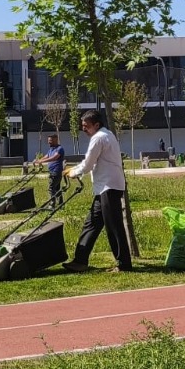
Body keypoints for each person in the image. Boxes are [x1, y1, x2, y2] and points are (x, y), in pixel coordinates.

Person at [64, 110, 131, 272]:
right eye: (82, 126)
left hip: (109, 187)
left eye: (86, 126)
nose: (83, 129)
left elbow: (88, 165)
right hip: (104, 188)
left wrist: (73, 172)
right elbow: (92, 163)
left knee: (114, 227)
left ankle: (124, 264)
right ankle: (80, 260)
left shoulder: (99, 138)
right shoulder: (107, 135)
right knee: (92, 224)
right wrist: (75, 169)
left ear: (96, 125)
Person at [30, 133, 66, 200]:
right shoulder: (51, 149)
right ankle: (61, 203)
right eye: (48, 140)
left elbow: (54, 158)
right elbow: (46, 157)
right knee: (57, 188)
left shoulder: (59, 149)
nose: (48, 142)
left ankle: (52, 204)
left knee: (51, 188)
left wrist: (41, 162)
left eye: (50, 141)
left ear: (55, 140)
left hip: (56, 172)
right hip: (52, 171)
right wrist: (37, 160)